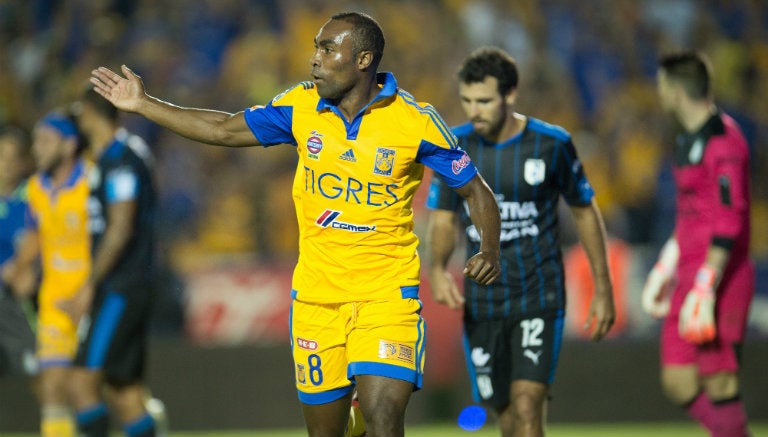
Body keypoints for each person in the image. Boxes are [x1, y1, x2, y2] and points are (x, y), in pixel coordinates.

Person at [89, 11, 501, 437]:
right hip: (316, 303)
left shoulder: (415, 120)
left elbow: (476, 190)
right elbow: (224, 130)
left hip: (386, 299)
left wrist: (488, 248)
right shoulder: (301, 106)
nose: (314, 59)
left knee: (385, 416)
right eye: (316, 48)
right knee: (328, 432)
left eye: (327, 48)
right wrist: (143, 104)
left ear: (363, 59)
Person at [425, 46, 615, 437]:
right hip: (483, 301)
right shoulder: (453, 147)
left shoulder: (551, 144)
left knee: (528, 408)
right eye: (467, 100)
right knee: (507, 417)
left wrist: (603, 287)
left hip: (538, 295)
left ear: (510, 94)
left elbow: (584, 210)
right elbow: (443, 218)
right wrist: (438, 268)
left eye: (484, 100)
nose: (474, 110)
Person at [641, 51, 753, 437]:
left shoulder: (724, 143)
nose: (658, 93)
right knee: (678, 381)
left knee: (720, 381)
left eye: (660, 85)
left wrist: (706, 285)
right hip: (688, 274)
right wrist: (665, 266)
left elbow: (730, 218)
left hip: (720, 278)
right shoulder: (685, 141)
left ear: (673, 90)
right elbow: (690, 214)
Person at [60, 88, 166, 437]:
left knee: (79, 383)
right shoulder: (111, 157)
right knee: (124, 390)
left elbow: (120, 228)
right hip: (130, 283)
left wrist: (90, 285)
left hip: (120, 286)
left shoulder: (121, 158)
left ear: (91, 114)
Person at [12, 112, 93, 437]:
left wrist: (90, 290)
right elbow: (36, 234)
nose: (37, 149)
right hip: (55, 301)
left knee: (97, 388)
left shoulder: (92, 181)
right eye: (36, 142)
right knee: (52, 386)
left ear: (69, 145)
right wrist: (21, 267)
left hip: (93, 298)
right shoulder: (35, 188)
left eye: (45, 141)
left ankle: (147, 419)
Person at [0, 126, 38, 380]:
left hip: (18, 301)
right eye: (2, 154)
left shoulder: (35, 197)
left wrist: (29, 268)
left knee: (41, 375)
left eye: (14, 157)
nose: (7, 164)